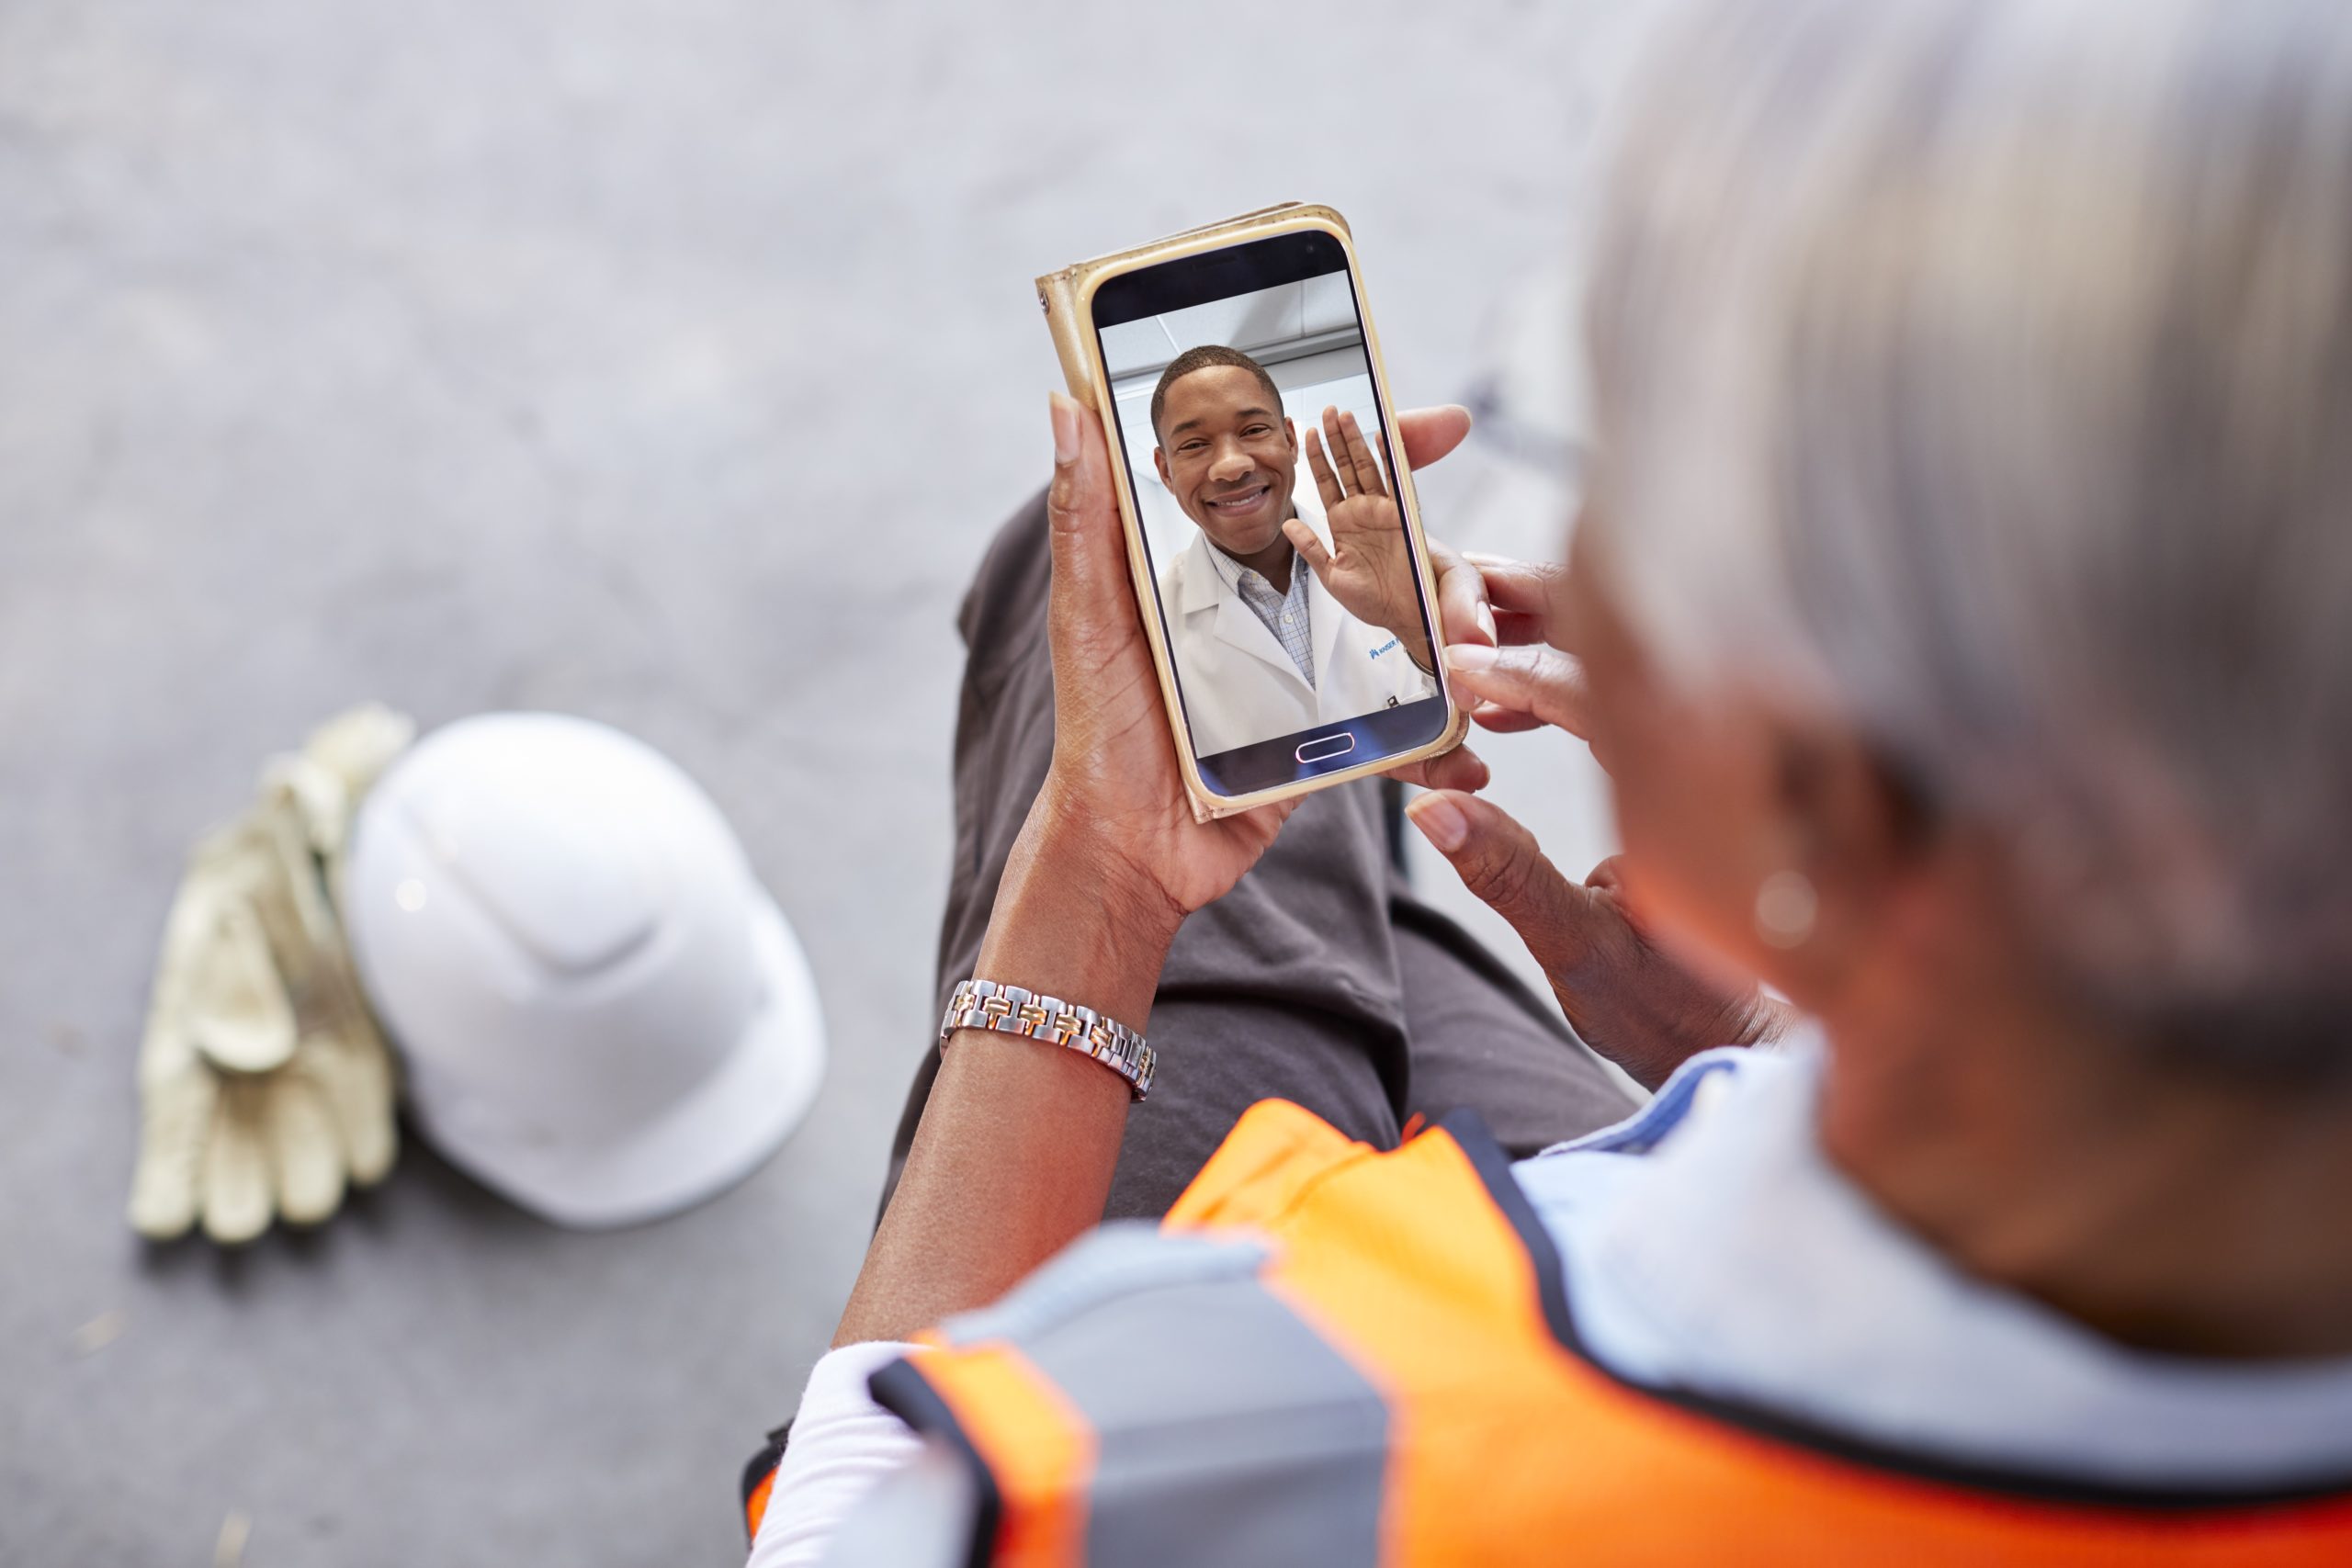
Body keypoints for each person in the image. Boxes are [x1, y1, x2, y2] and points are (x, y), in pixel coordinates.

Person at [752, 0, 2352, 1560]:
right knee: (1326, 825)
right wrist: (1789, 1041)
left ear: (1826, 793)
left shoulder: (1216, 1442)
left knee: (1101, 627)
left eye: (1606, 455)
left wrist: (1099, 883)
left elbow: (853, 1522)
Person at [1146, 344, 1439, 757]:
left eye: (1253, 430)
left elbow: (1474, 710)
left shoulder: (1396, 559)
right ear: (1165, 471)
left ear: (1289, 440)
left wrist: (1418, 632)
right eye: (1194, 445)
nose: (1231, 465)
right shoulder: (1148, 628)